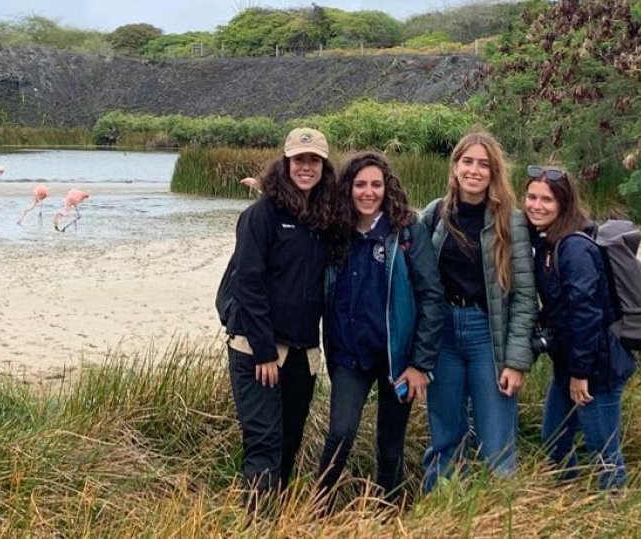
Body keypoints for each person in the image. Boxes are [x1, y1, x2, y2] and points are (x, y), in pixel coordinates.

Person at [217, 127, 339, 511]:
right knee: (264, 441)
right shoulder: (261, 215)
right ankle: (256, 521)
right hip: (257, 350)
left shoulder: (325, 219)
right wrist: (265, 352)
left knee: (288, 441)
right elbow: (248, 284)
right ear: (286, 163)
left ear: (323, 165)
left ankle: (278, 519)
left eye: (314, 160)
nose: (306, 167)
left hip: (304, 353)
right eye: (299, 160)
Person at [315, 152, 444, 506]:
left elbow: (432, 298)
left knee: (390, 444)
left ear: (387, 188)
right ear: (348, 189)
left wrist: (421, 364)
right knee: (340, 433)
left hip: (398, 359)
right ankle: (315, 509)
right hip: (348, 356)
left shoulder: (407, 232)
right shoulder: (334, 231)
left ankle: (390, 513)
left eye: (376, 184)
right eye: (360, 185)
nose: (368, 192)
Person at [418, 131, 538, 487]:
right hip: (444, 337)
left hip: (488, 334)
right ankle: (441, 510)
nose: (474, 170)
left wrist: (516, 361)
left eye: (483, 164)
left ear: (494, 172)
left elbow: (525, 297)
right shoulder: (436, 213)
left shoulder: (511, 221)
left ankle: (500, 513)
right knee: (445, 434)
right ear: (455, 167)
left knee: (497, 437)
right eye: (467, 162)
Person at [524, 165, 635, 490]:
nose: (536, 205)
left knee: (604, 451)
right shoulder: (547, 241)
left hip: (597, 367)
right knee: (555, 440)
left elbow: (586, 315)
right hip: (569, 363)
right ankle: (571, 502)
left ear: (563, 204)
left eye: (547, 199)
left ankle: (614, 516)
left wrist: (580, 372)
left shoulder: (574, 248)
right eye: (531, 197)